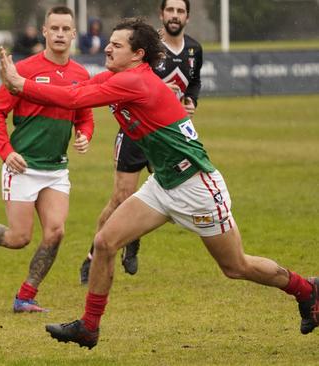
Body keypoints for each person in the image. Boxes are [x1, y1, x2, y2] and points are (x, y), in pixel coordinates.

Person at [0, 17, 319, 350]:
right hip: (164, 183)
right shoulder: (119, 76)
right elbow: (76, 90)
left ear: (137, 54)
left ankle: (307, 291)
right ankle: (89, 327)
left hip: (196, 186)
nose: (107, 47)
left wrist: (22, 85)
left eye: (117, 45)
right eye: (109, 42)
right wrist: (24, 83)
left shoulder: (135, 82)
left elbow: (75, 98)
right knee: (106, 242)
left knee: (236, 266)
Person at [0, 6, 94, 313]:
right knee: (18, 238)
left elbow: (85, 115)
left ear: (74, 34)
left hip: (56, 168)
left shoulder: (80, 74)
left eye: (66, 29)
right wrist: (7, 152)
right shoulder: (24, 70)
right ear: (45, 32)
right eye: (55, 29)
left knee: (56, 231)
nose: (61, 34)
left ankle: (25, 296)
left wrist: (84, 135)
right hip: (22, 166)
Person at [78, 0, 203, 283]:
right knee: (121, 197)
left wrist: (191, 100)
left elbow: (194, 82)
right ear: (161, 14)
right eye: (169, 10)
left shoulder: (194, 49)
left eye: (180, 11)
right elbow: (128, 83)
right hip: (135, 133)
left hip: (168, 137)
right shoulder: (141, 46)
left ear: (187, 16)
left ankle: (131, 236)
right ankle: (93, 255)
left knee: (169, 193)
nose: (174, 15)